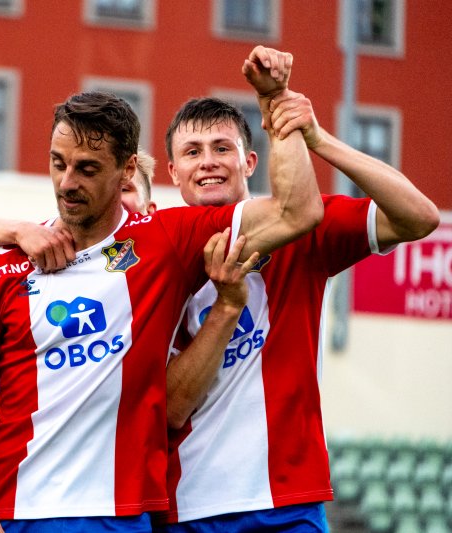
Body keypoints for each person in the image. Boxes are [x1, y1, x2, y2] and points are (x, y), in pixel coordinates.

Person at [0, 47, 323, 533]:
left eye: (87, 169)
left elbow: (297, 211)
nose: (66, 183)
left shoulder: (165, 241)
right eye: (58, 164)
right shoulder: (2, 263)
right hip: (13, 511)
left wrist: (273, 102)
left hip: (124, 514)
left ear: (126, 169)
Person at [156, 52, 440, 531]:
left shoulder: (305, 230)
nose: (208, 163)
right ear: (172, 172)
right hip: (191, 503)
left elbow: (421, 216)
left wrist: (316, 137)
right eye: (192, 152)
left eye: (222, 148)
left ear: (250, 162)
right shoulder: (156, 251)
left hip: (290, 499)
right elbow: (172, 408)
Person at [0, 147, 157, 275]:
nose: (112, 199)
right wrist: (18, 231)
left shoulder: (165, 257)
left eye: (125, 189)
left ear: (150, 210)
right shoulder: (38, 247)